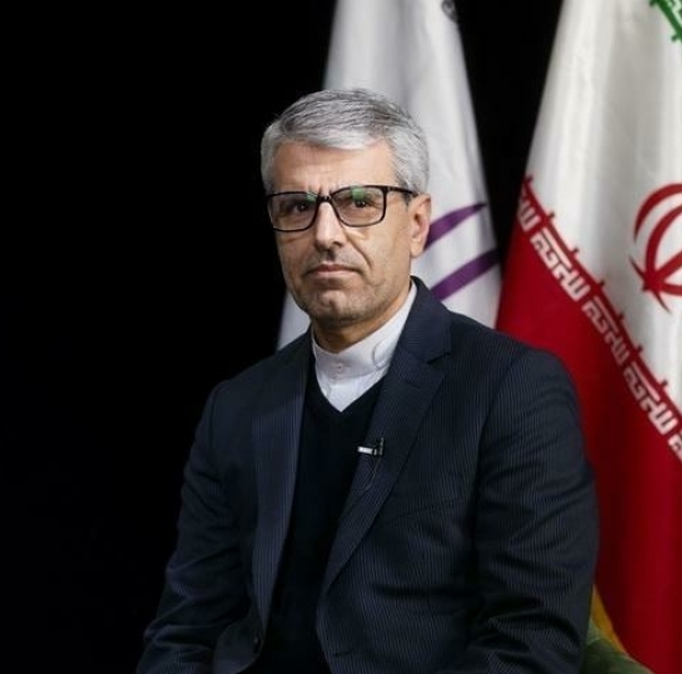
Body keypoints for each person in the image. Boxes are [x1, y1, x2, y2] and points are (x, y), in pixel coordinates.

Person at [137, 87, 599, 673]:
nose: (325, 234)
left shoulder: (512, 390)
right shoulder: (237, 406)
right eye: (297, 206)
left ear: (418, 224)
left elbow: (531, 641)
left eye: (359, 202)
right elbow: (186, 630)